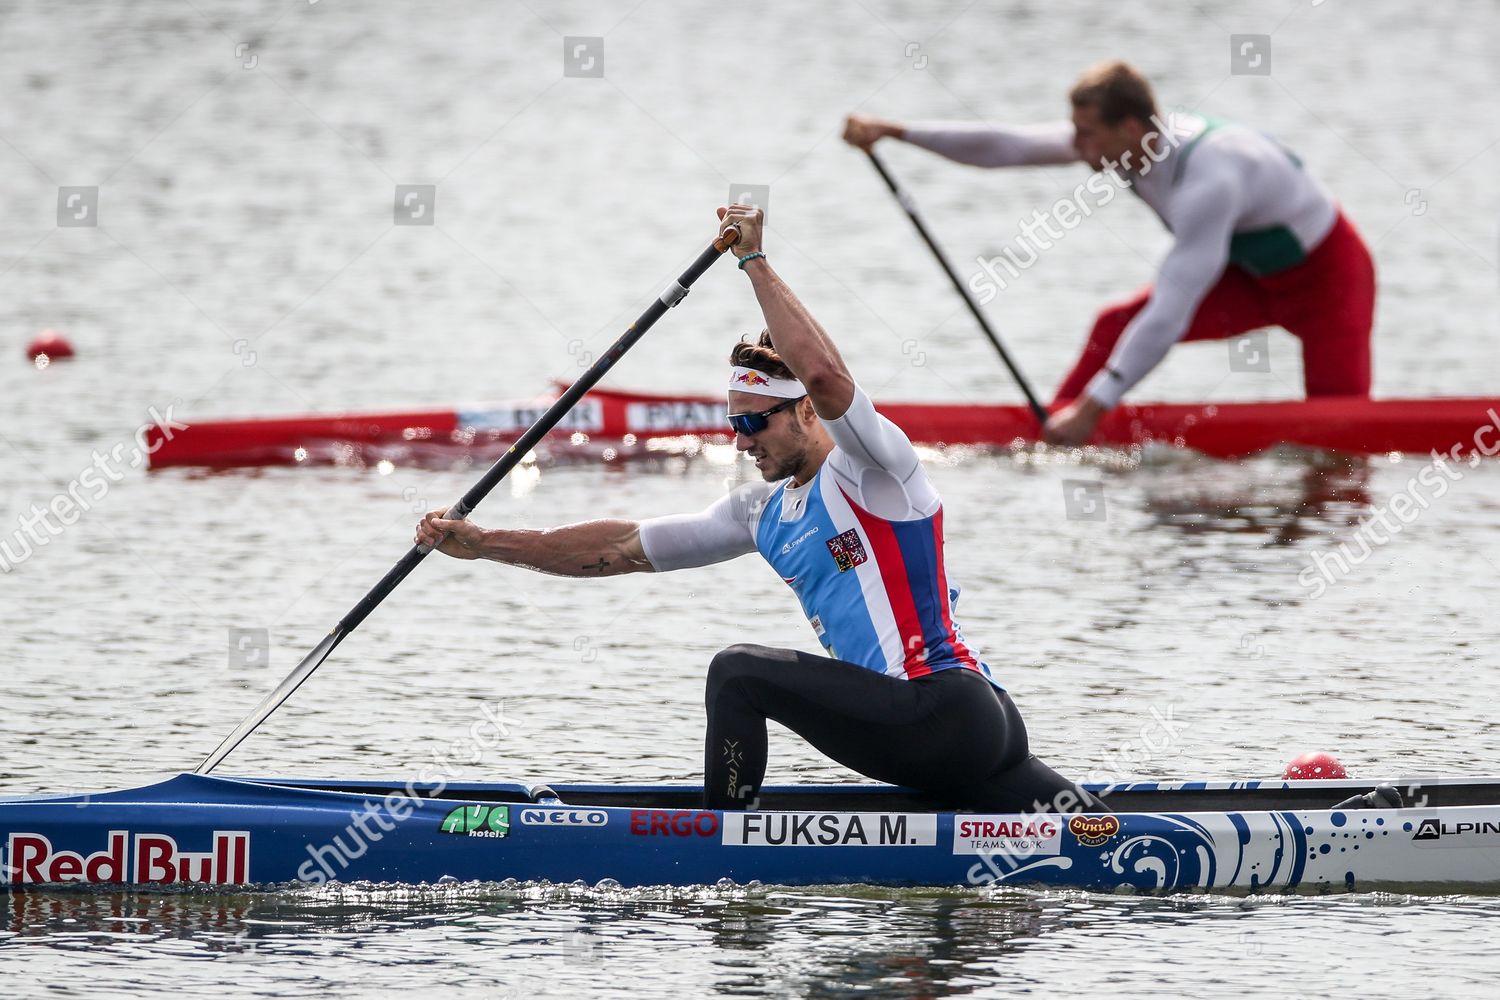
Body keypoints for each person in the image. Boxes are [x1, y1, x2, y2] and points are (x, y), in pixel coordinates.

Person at [415, 205, 1094, 815]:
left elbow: (827, 375)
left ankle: (721, 840)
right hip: (968, 732)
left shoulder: (876, 471)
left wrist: (753, 260)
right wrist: (484, 544)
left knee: (737, 672)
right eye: (733, 427)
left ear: (804, 410)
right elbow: (621, 549)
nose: (743, 443)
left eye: (756, 424)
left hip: (942, 710)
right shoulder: (759, 513)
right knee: (1104, 835)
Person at [843, 59, 1376, 446]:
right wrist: (898, 132)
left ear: (1128, 127)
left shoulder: (1211, 178)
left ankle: (1084, 418)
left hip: (1330, 282)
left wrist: (1101, 403)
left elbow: (1170, 311)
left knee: (1340, 433)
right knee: (1113, 325)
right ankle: (1055, 432)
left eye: (1085, 135)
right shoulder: (1125, 143)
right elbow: (1007, 146)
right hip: (1251, 278)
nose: (1077, 149)